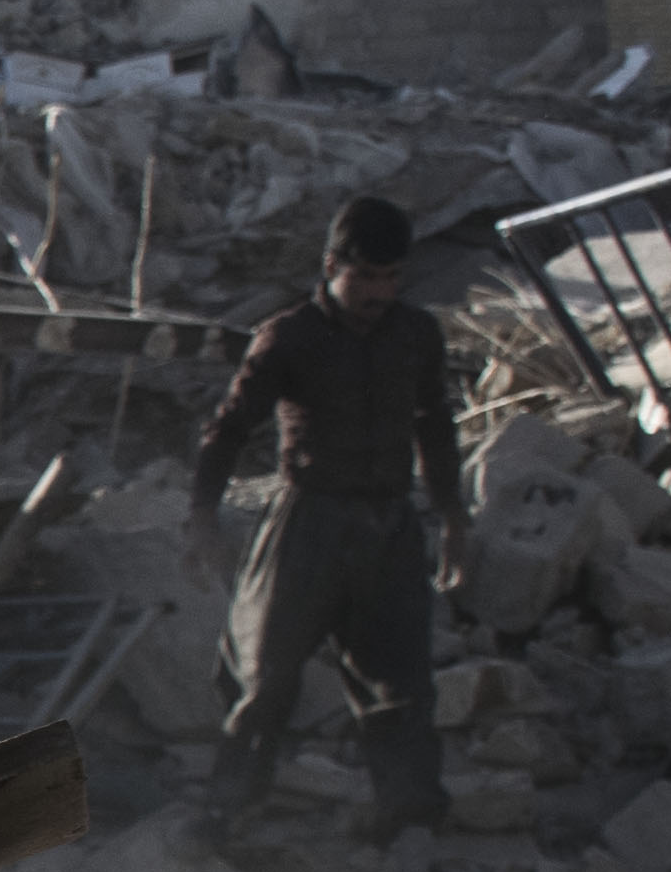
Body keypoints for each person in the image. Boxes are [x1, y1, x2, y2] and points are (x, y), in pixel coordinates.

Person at [190, 193, 469, 832]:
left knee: (401, 683)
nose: (379, 292)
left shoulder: (415, 334)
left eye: (391, 277)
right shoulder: (290, 336)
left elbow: (435, 425)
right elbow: (229, 429)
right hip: (309, 523)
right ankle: (230, 808)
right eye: (365, 276)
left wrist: (453, 516)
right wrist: (202, 516)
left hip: (388, 526)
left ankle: (410, 822)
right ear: (331, 266)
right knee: (264, 674)